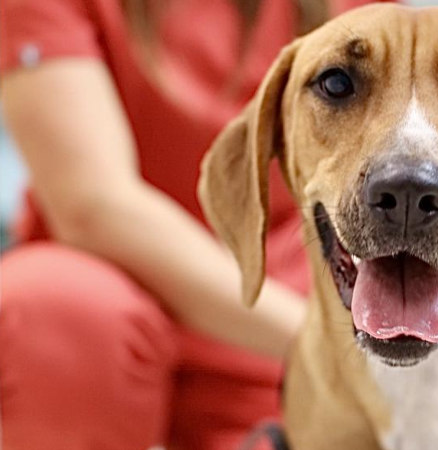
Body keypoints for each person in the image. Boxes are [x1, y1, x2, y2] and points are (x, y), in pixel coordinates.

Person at [0, 0, 387, 448]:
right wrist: (331, 343)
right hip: (108, 327)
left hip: (284, 337)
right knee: (53, 304)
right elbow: (90, 205)